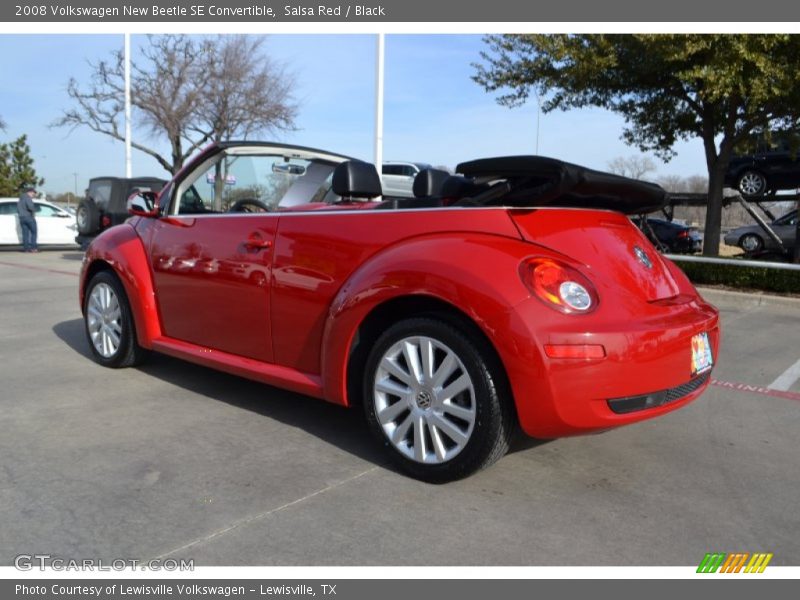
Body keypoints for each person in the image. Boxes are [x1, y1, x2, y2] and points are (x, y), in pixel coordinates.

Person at [17, 186, 38, 253]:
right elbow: (30, 207)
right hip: (28, 217)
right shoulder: (28, 198)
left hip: (21, 218)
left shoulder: (20, 199)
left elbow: (18, 209)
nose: (33, 195)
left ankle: (26, 249)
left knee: (25, 234)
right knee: (34, 233)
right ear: (30, 192)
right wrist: (34, 210)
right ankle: (33, 248)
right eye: (33, 193)